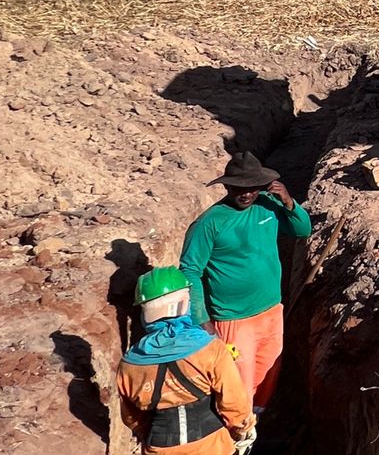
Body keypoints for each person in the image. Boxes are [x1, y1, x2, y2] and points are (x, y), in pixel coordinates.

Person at [179, 152, 311, 417]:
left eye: (252, 187)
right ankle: (233, 433)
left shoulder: (268, 206)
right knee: (237, 383)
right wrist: (202, 319)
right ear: (227, 186)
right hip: (233, 319)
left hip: (271, 311)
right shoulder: (210, 223)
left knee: (267, 374)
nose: (246, 194)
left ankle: (254, 425)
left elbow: (302, 230)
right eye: (239, 188)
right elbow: (190, 271)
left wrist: (288, 202)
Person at [117, 265, 257, 454]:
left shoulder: (130, 364)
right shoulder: (210, 349)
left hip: (159, 447)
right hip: (211, 445)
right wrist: (244, 429)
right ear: (183, 304)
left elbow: (133, 419)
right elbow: (234, 402)